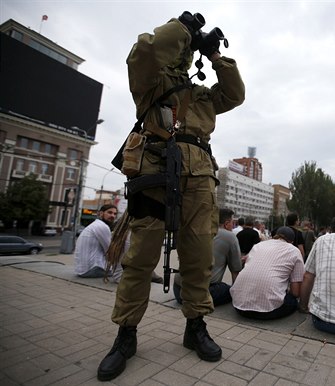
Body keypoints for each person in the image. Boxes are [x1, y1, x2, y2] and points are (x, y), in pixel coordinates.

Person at [97, 12, 245, 382]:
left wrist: (214, 56)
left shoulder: (200, 94)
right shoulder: (151, 81)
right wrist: (182, 27)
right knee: (140, 258)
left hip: (198, 177)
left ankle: (195, 326)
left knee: (197, 258)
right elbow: (145, 51)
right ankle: (125, 335)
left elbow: (235, 94)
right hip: (154, 172)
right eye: (184, 44)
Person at [230, 226, 304, 320]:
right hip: (268, 311)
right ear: (292, 241)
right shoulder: (294, 251)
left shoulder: (258, 245)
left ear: (274, 236)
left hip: (238, 306)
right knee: (293, 301)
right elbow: (296, 292)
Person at [173, 208, 243, 306]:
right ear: (227, 224)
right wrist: (237, 295)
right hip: (203, 293)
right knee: (228, 289)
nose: (233, 226)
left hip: (178, 290)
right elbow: (235, 271)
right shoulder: (230, 236)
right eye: (232, 223)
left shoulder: (198, 229)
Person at [74, 204, 118, 279]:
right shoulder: (102, 226)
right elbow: (110, 251)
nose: (112, 216)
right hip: (92, 269)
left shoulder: (95, 225)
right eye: (109, 212)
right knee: (124, 274)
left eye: (115, 214)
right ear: (101, 213)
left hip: (82, 270)